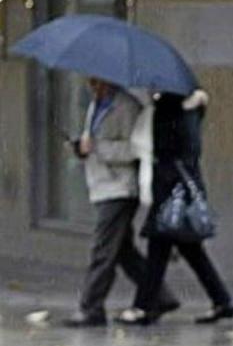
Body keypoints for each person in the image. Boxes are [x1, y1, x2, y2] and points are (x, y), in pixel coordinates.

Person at [63, 79, 178, 327]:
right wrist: (82, 148)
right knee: (124, 251)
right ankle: (160, 295)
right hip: (101, 185)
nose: (92, 86)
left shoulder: (126, 107)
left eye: (96, 81)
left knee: (103, 249)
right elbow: (95, 140)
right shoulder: (96, 105)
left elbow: (134, 149)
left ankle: (91, 307)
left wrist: (98, 148)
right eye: (90, 81)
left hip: (120, 187)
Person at [118, 89, 233, 325]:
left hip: (171, 192)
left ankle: (143, 307)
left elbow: (163, 149)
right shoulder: (190, 112)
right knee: (191, 252)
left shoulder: (168, 111)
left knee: (158, 250)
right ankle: (222, 301)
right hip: (181, 189)